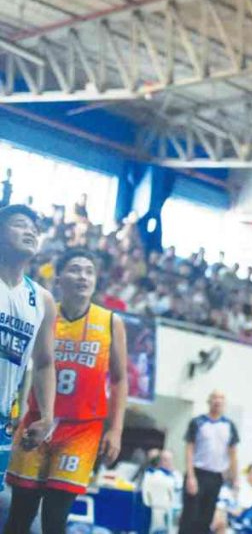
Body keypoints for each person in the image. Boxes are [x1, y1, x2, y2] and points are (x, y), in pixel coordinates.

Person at [5, 249, 129, 534]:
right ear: (59, 277)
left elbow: (120, 379)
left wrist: (116, 430)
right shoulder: (44, 314)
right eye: (75, 269)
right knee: (20, 512)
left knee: (56, 515)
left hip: (82, 429)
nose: (83, 276)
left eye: (89, 271)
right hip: (38, 420)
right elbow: (25, 367)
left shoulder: (111, 322)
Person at [0, 206, 57, 505]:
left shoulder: (42, 300)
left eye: (35, 228)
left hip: (2, 418)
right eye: (20, 224)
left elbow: (45, 362)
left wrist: (47, 416)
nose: (31, 231)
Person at [180, 390, 239, 534]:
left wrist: (235, 477)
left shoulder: (229, 425)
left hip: (216, 476)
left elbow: (232, 453)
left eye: (221, 398)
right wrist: (191, 475)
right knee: (190, 515)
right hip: (198, 473)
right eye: (214, 398)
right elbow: (189, 449)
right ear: (209, 401)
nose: (217, 401)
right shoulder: (198, 422)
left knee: (206, 517)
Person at [141, 450, 180, 534]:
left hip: (173, 512)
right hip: (155, 510)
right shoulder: (152, 474)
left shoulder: (177, 475)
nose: (168, 462)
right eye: (165, 459)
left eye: (170, 459)